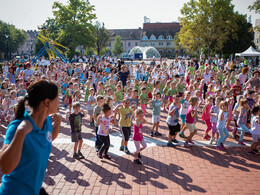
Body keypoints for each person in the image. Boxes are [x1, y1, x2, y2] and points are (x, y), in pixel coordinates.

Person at [0, 80, 61, 194]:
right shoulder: (18, 126)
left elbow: (47, 139)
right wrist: (21, 133)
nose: (59, 101)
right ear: (47, 102)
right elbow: (4, 168)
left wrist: (57, 125)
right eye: (57, 98)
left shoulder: (47, 121)